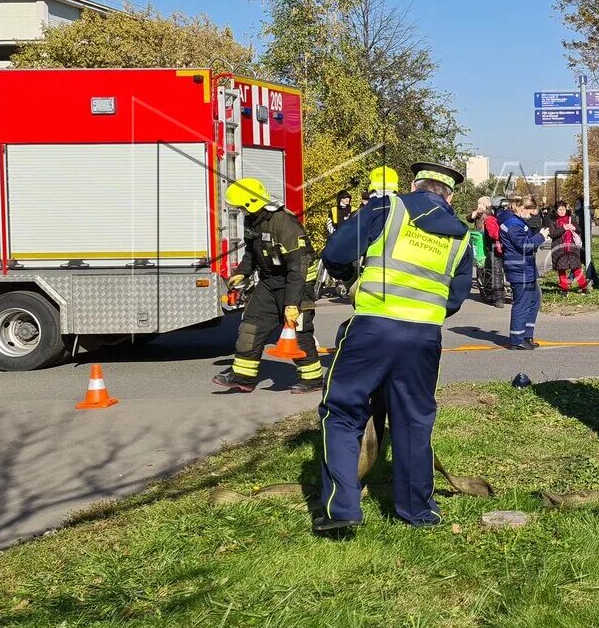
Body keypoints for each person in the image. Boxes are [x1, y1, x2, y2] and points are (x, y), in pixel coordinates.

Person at [315, 162, 473, 532]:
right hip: (423, 338)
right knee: (414, 421)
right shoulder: (462, 236)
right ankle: (418, 511)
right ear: (449, 195)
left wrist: (353, 279)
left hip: (371, 328)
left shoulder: (389, 208)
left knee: (342, 412)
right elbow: (455, 297)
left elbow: (335, 252)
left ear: (415, 186)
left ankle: (342, 509)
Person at [212, 179, 325, 394]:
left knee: (298, 331)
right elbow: (251, 253)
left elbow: (297, 267)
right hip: (270, 281)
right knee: (251, 325)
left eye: (241, 207)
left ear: (252, 202)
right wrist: (241, 273)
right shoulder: (254, 220)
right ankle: (243, 377)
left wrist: (292, 304)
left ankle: (313, 379)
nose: (240, 211)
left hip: (296, 283)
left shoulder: (284, 223)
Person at [500, 195, 546, 347]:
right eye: (530, 212)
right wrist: (541, 236)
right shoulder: (513, 224)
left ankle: (526, 336)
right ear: (521, 208)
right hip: (519, 269)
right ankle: (517, 340)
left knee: (534, 299)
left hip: (524, 268)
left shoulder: (516, 221)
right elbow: (525, 245)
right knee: (522, 303)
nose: (531, 215)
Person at [468, 196, 506, 307]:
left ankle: (495, 291)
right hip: (483, 244)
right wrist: (476, 212)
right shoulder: (480, 215)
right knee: (490, 268)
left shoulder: (492, 215)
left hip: (490, 244)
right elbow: (469, 218)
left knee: (494, 269)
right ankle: (492, 293)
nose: (479, 206)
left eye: (481, 204)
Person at [550, 201, 589, 294]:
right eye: (560, 209)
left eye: (563, 209)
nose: (562, 211)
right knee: (561, 270)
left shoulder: (571, 218)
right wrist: (564, 228)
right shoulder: (553, 220)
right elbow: (552, 234)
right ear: (556, 210)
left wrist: (574, 228)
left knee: (577, 268)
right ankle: (564, 289)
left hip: (572, 248)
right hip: (559, 249)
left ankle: (583, 287)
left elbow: (579, 230)